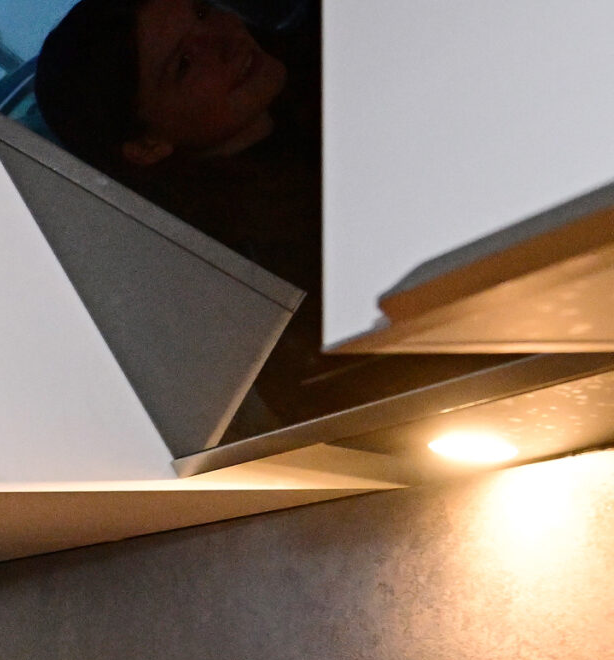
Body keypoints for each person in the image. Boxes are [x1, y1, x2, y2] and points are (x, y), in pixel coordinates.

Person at [36, 0, 488, 431]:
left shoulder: (358, 66)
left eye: (202, 11)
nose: (222, 38)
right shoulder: (251, 279)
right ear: (148, 145)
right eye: (183, 64)